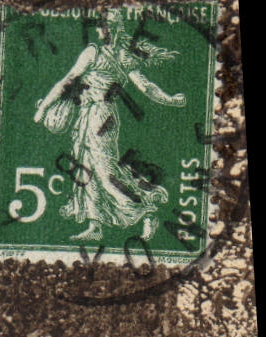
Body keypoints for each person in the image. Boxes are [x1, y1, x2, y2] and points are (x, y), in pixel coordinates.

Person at [33, 9, 187, 242]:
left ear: (113, 29)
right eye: (98, 26)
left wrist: (170, 99)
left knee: (106, 172)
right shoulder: (92, 52)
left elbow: (146, 87)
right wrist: (44, 107)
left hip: (103, 116)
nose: (98, 30)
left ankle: (146, 211)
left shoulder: (123, 58)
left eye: (103, 26)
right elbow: (68, 81)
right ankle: (95, 225)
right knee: (85, 168)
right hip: (85, 115)